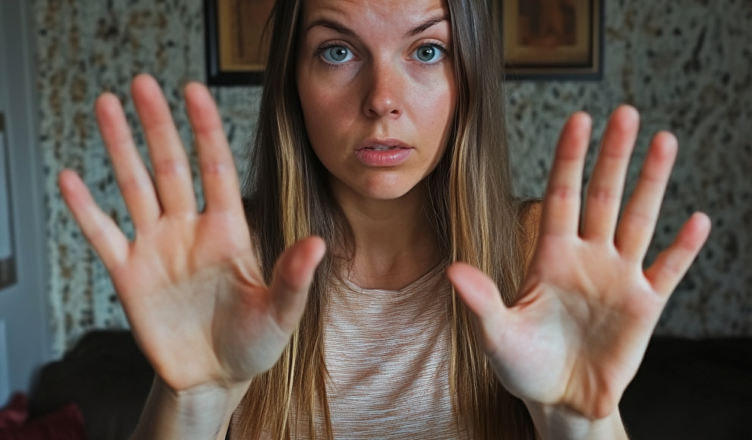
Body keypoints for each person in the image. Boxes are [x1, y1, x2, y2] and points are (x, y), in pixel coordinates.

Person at [56, 0, 710, 438]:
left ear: (468, 78)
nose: (382, 101)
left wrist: (577, 420)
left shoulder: (538, 253)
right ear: (293, 81)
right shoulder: (234, 265)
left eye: (426, 52)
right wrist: (194, 400)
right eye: (337, 52)